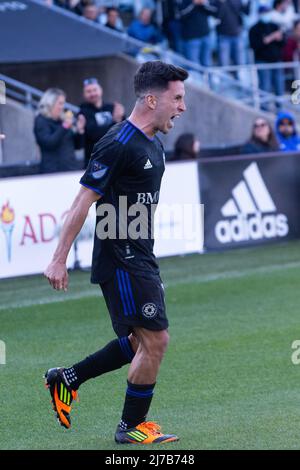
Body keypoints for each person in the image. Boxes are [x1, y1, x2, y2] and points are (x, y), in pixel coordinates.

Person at [43, 61, 188, 444]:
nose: (182, 107)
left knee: (142, 342)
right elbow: (81, 202)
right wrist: (59, 257)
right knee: (157, 340)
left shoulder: (153, 143)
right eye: (177, 98)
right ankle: (131, 428)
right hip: (121, 257)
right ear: (152, 99)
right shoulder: (116, 142)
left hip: (140, 254)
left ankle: (67, 379)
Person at [34, 88, 85, 174]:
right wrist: (64, 127)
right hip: (52, 173)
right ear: (50, 103)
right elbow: (49, 143)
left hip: (71, 169)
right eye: (60, 103)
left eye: (63, 103)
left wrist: (80, 131)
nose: (63, 107)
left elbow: (77, 146)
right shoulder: (41, 120)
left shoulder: (63, 120)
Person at [79, 78, 125, 167]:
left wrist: (121, 118)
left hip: (115, 157)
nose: (92, 94)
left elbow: (123, 130)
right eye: (88, 91)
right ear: (84, 94)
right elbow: (92, 134)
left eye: (94, 90)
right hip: (94, 160)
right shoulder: (82, 111)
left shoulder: (111, 107)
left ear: (100, 90)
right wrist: (115, 122)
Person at [249, 6, 286, 100]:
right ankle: (264, 108)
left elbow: (283, 43)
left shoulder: (274, 26)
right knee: (265, 86)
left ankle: (280, 106)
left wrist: (280, 39)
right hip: (262, 61)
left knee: (279, 85)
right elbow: (254, 46)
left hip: (276, 60)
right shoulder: (254, 29)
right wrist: (267, 40)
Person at [180, 0, 218, 67]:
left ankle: (208, 77)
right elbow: (182, 15)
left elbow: (215, 12)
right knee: (194, 65)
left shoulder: (204, 3)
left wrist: (204, 4)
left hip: (206, 35)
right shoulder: (185, 2)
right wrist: (193, 4)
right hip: (191, 38)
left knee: (207, 62)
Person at [212, 0, 250, 66]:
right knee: (224, 63)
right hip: (223, 36)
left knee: (240, 62)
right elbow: (217, 16)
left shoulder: (237, 1)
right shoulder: (215, 2)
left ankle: (239, 76)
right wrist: (221, 3)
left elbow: (246, 12)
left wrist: (249, 2)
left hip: (237, 35)